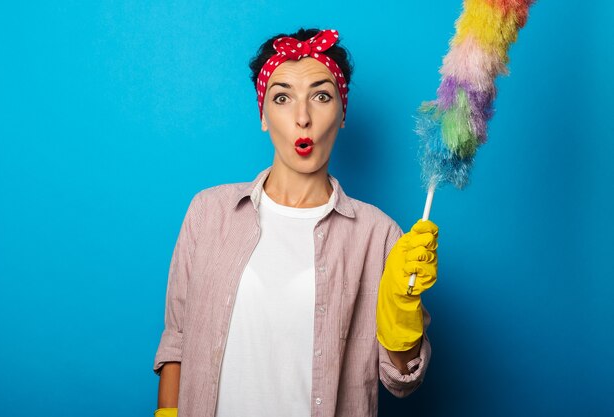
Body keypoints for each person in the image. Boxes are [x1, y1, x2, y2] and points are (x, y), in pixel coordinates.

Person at [152, 28, 439, 417]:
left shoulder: (379, 235)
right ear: (264, 116)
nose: (302, 117)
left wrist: (401, 310)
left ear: (342, 114)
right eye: (282, 97)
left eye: (321, 96)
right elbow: (177, 342)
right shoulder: (208, 212)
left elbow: (402, 380)